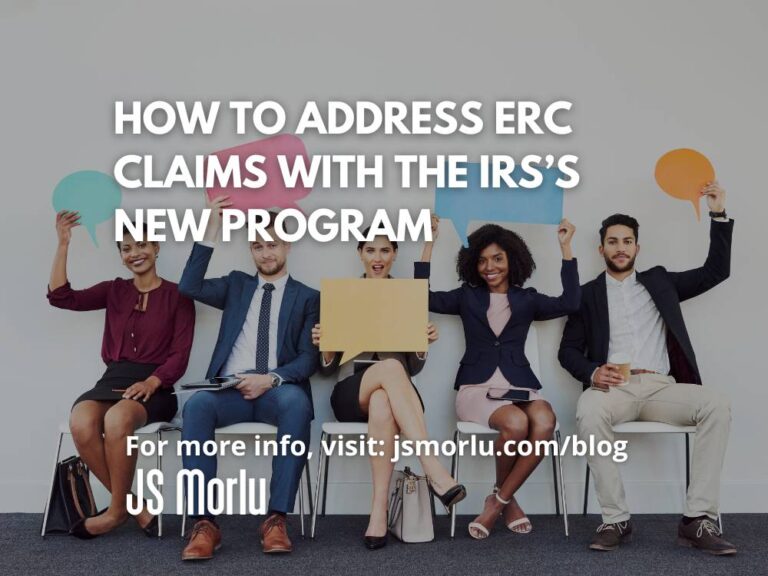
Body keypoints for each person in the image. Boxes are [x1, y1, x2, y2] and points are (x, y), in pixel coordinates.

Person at [558, 181, 735, 555]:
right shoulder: (587, 294)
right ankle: (615, 518)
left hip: (660, 387)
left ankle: (697, 519)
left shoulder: (661, 282)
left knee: (716, 404)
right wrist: (592, 372)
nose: (620, 248)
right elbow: (568, 351)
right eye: (612, 241)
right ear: (601, 248)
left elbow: (716, 271)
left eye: (627, 241)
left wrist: (718, 214)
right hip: (614, 389)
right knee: (588, 409)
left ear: (637, 247)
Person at [419, 216, 579, 539]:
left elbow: (571, 302)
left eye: (497, 259)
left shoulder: (527, 299)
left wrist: (566, 248)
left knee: (545, 421)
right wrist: (429, 244)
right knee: (517, 424)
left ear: (512, 260)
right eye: (482, 260)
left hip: (519, 386)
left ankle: (497, 499)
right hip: (476, 389)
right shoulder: (467, 296)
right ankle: (507, 503)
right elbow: (422, 297)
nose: (489, 267)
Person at [178, 197, 319, 560]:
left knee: (296, 403)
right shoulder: (237, 285)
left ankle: (276, 519)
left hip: (277, 391)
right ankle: (204, 522)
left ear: (286, 244)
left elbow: (308, 359)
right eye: (257, 246)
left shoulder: (308, 297)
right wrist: (209, 227)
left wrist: (270, 378)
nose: (265, 253)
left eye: (272, 244)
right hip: (228, 390)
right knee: (196, 407)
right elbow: (189, 287)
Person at [312, 230, 466, 550]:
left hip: (396, 398)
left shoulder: (406, 296)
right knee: (391, 369)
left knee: (385, 395)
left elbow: (415, 366)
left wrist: (423, 346)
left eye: (385, 251)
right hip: (350, 392)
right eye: (371, 250)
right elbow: (326, 368)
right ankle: (433, 468)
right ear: (360, 254)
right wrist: (325, 346)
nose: (378, 258)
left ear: (394, 254)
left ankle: (378, 514)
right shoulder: (342, 295)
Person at [47, 211, 195, 539]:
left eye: (142, 244)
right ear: (122, 257)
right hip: (113, 379)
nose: (135, 253)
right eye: (126, 248)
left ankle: (114, 513)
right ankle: (133, 505)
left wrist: (152, 382)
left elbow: (180, 355)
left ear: (156, 248)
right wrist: (63, 243)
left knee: (116, 420)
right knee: (81, 421)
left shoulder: (179, 295)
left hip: (157, 386)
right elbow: (61, 298)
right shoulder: (114, 290)